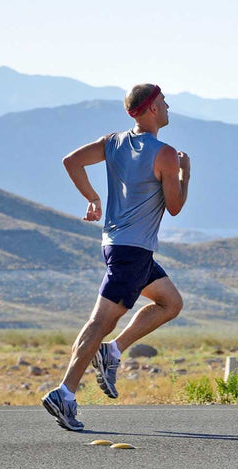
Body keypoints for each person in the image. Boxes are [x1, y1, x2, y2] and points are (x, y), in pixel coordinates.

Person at [42, 84, 190, 431]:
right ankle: (64, 393)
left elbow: (71, 161)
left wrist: (93, 198)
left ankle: (113, 351)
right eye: (164, 103)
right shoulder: (166, 154)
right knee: (99, 322)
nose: (168, 108)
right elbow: (175, 206)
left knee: (170, 303)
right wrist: (185, 172)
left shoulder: (113, 141)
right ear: (152, 108)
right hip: (133, 251)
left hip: (119, 245)